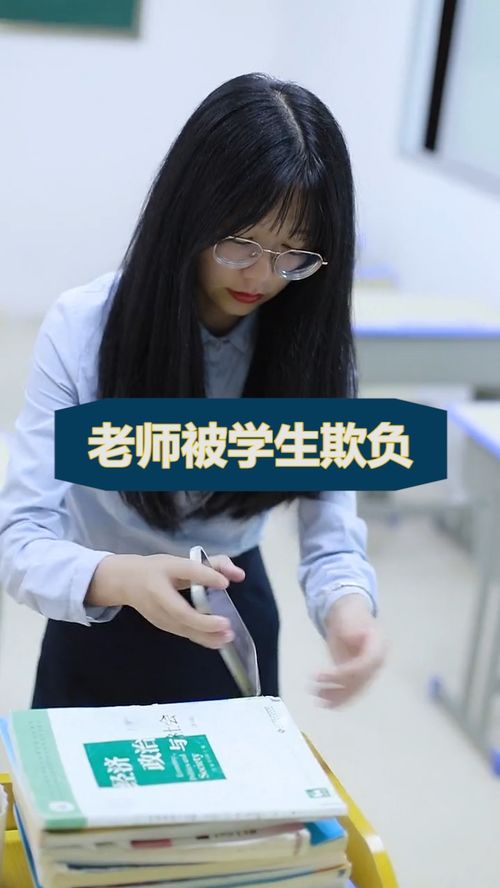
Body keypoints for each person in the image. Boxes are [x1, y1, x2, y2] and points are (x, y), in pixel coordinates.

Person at [0, 72, 385, 710]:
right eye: (241, 242)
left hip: (232, 609)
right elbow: (20, 539)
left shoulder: (311, 352)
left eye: (294, 254)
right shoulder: (84, 328)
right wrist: (121, 576)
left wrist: (350, 610)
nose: (262, 275)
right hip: (101, 602)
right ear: (189, 213)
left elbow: (332, 529)